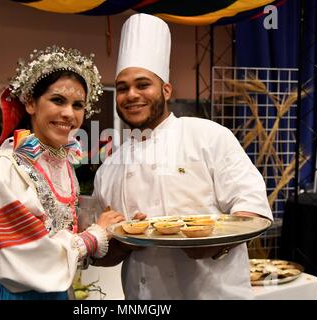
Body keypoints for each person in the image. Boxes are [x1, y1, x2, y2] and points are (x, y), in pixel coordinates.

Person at [92, 13, 274, 299]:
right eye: (123, 87)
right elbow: (103, 254)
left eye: (143, 85)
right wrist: (123, 242)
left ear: (166, 90)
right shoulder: (109, 167)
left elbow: (253, 206)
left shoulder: (209, 137)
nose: (131, 95)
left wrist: (215, 243)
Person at [0, 46, 125, 300]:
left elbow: (60, 229)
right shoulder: (4, 168)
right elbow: (29, 257)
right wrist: (94, 235)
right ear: (30, 102)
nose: (69, 114)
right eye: (58, 100)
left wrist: (112, 224)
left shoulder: (62, 164)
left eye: (78, 104)